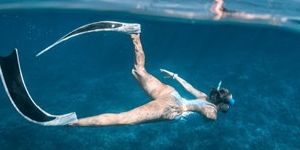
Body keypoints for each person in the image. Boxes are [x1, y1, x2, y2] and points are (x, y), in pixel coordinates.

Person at [70, 34, 234, 126]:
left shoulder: (208, 103)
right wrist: (184, 105)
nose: (213, 94)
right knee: (124, 118)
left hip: (171, 94)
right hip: (172, 107)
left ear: (219, 100)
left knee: (139, 70)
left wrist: (176, 80)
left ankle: (135, 35)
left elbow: (196, 96)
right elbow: (202, 108)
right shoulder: (210, 108)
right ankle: (72, 123)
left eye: (217, 94)